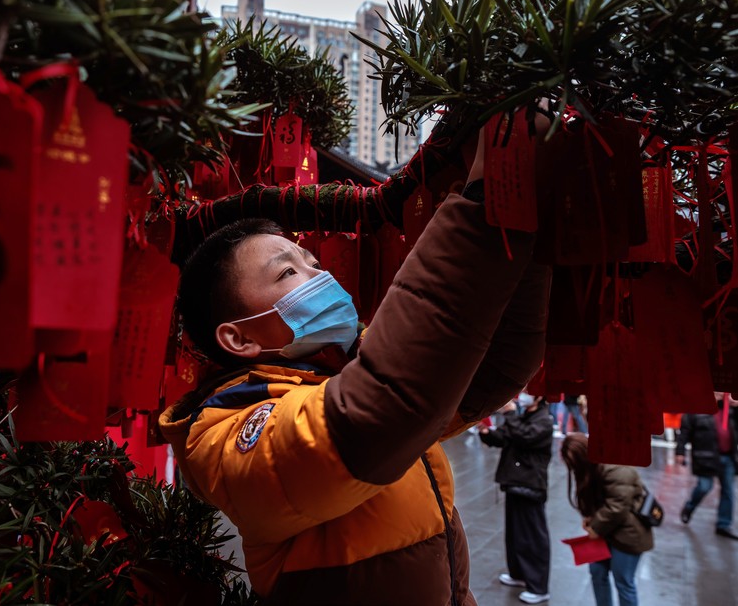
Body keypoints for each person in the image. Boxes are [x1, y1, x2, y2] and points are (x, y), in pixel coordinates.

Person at [158, 125, 552, 605]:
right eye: (287, 272)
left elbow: (495, 368)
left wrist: (512, 205)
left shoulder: (346, 372)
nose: (318, 274)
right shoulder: (223, 431)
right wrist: (475, 203)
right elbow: (372, 417)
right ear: (238, 337)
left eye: (310, 261)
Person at [560, 434, 653, 606]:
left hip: (628, 533)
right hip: (607, 531)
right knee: (597, 572)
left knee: (623, 581)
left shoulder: (614, 466)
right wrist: (590, 518)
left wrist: (596, 526)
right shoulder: (592, 467)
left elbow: (618, 506)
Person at [479, 392, 553, 604]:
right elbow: (503, 437)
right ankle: (519, 574)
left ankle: (539, 586)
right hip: (514, 483)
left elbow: (525, 436)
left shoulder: (544, 421)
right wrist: (485, 432)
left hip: (530, 485)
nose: (523, 397)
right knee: (515, 535)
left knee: (532, 537)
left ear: (539, 398)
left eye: (529, 393)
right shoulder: (523, 417)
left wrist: (510, 415)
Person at [675, 393, 738, 539]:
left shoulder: (731, 408)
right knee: (704, 486)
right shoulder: (697, 406)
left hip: (727, 456)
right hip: (706, 456)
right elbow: (684, 431)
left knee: (728, 491)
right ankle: (689, 507)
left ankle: (723, 524)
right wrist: (680, 451)